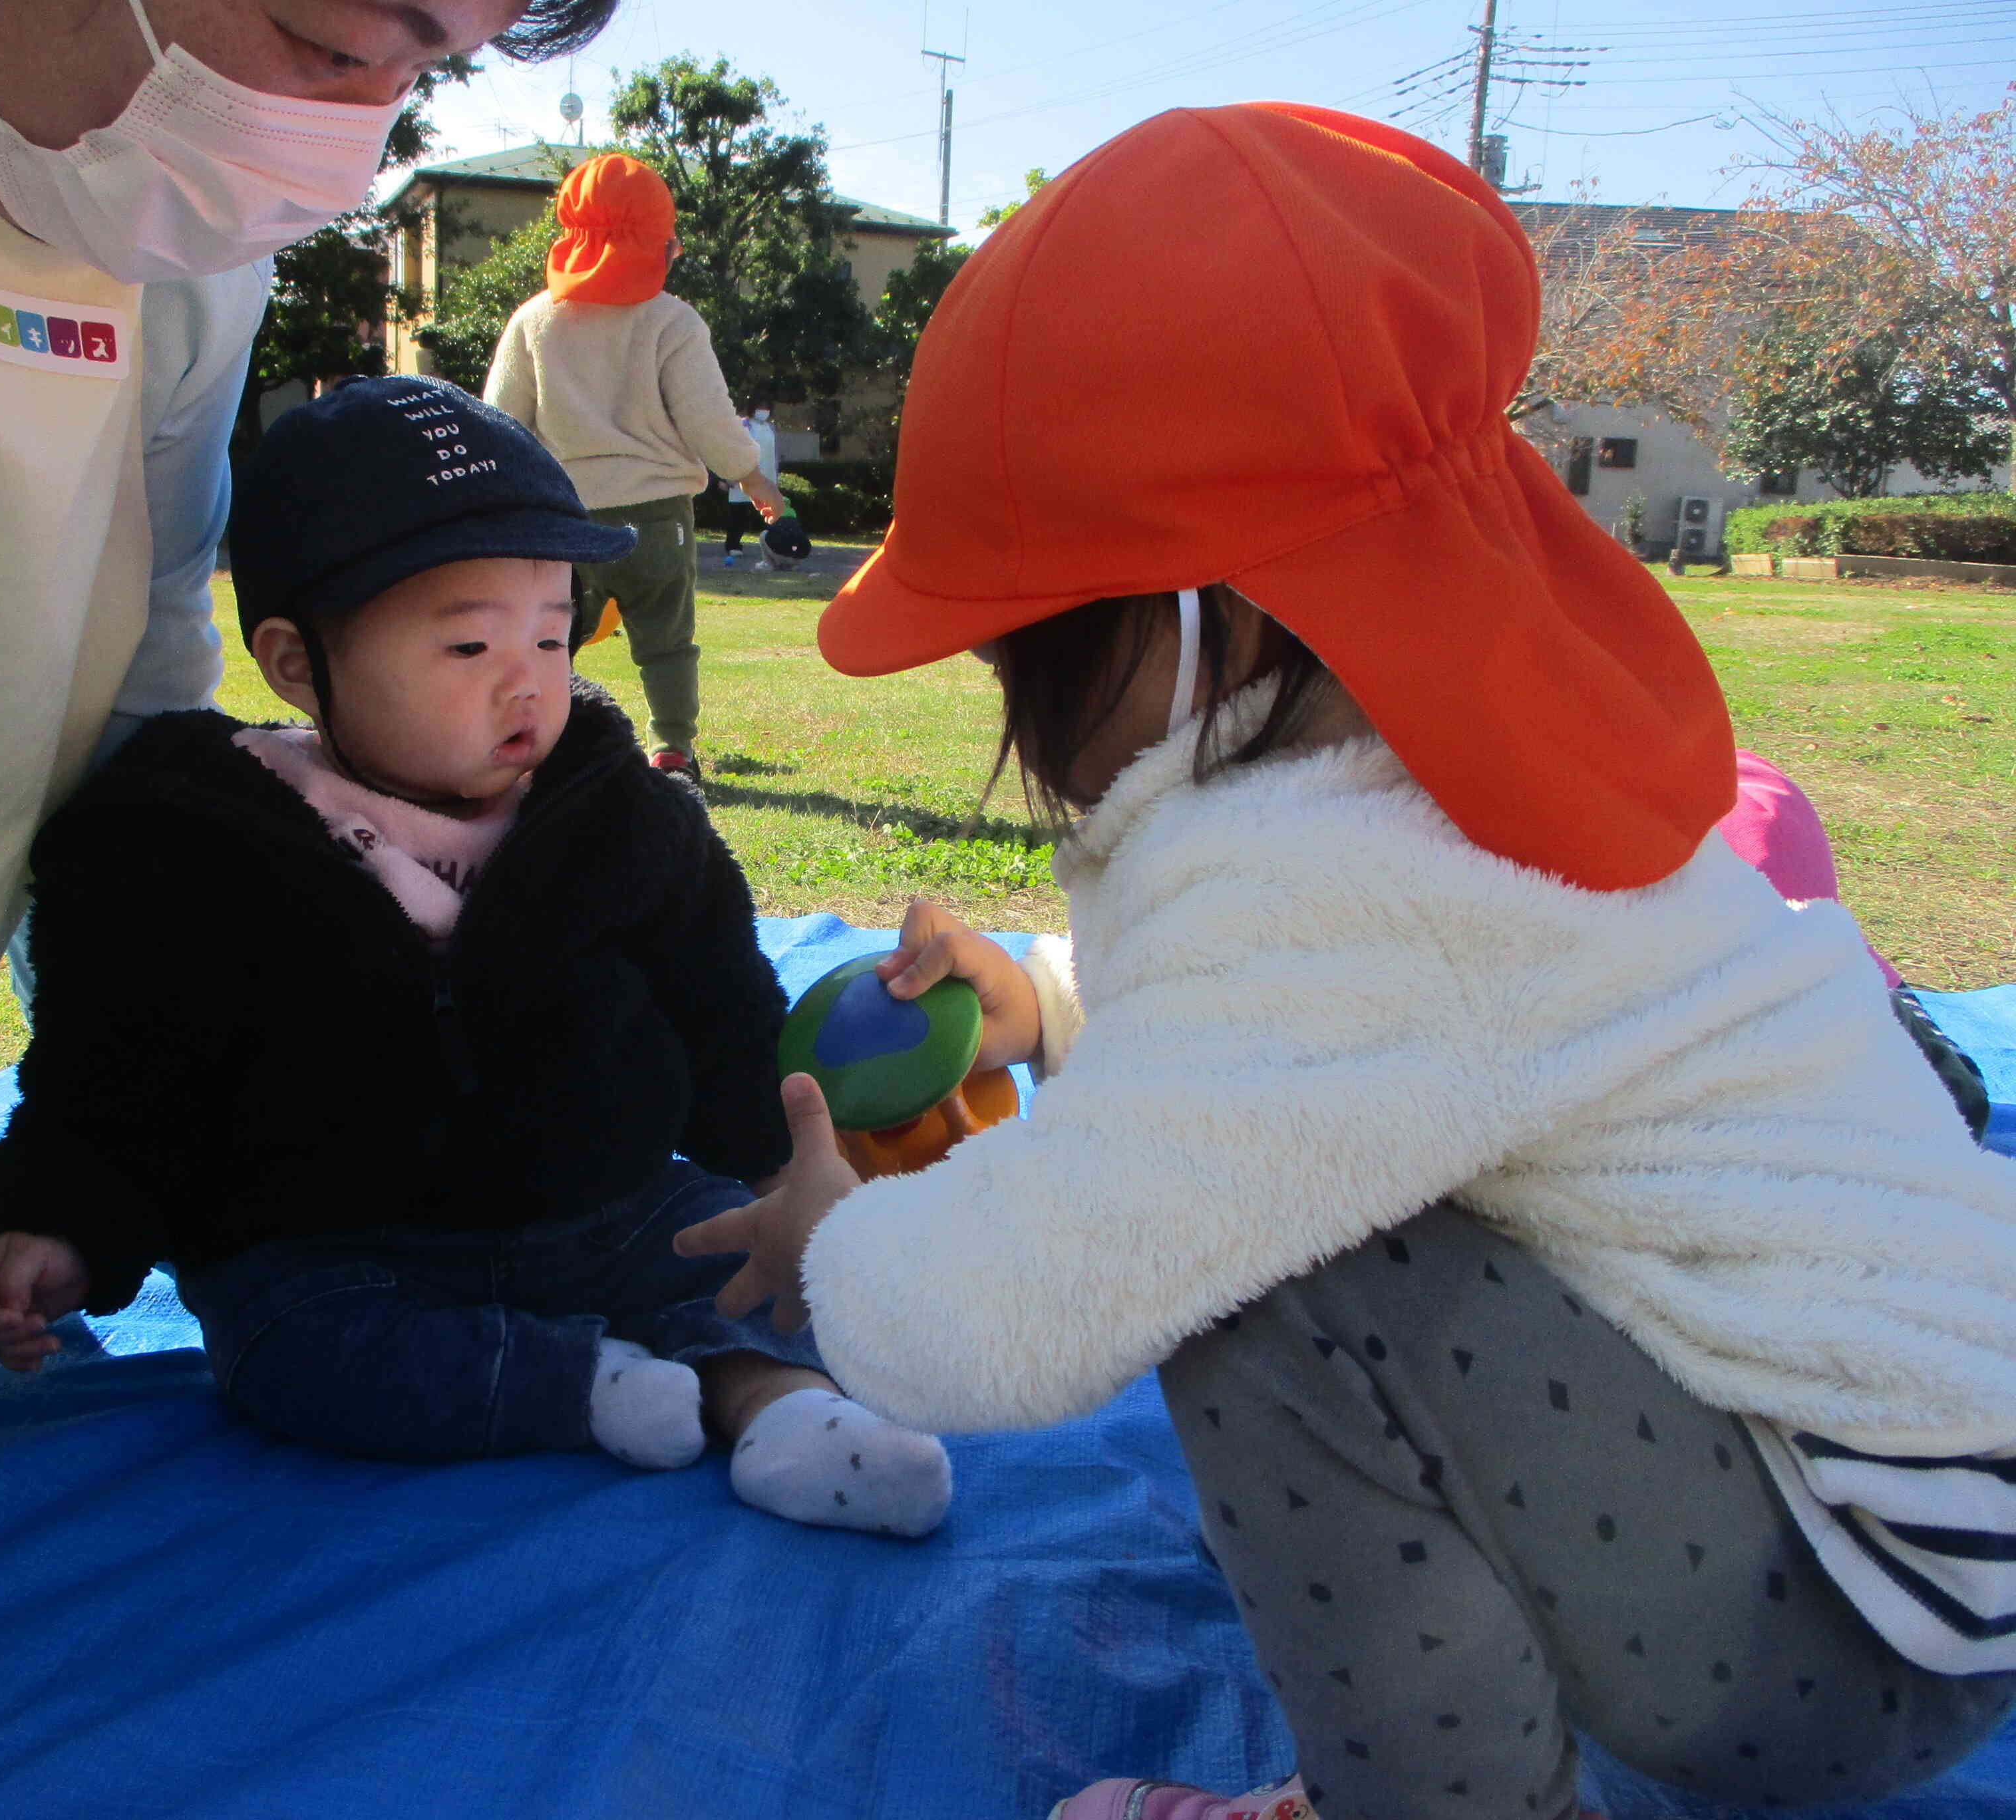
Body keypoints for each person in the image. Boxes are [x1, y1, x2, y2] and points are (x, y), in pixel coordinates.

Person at [677, 106, 2016, 1820]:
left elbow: (1007, 1306)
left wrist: (839, 1247)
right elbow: (1373, 1034)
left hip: (1843, 1630)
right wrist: (1045, 998)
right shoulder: (1461, 753)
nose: (1015, 706)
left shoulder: (1330, 880)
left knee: (1281, 1285)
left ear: (1203, 610)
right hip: (1892, 1509)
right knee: (1307, 1195)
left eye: (1025, 645)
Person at [0, 0, 617, 1808]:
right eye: (330, 33)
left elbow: (145, 746)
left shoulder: (164, 230)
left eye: (428, 69)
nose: (359, 138)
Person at [0, 378, 953, 1539]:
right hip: (337, 1247)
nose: (526, 674)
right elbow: (116, 1071)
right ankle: (577, 1388)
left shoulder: (615, 816)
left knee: (741, 1259)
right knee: (288, 1358)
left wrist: (782, 1164)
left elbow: (720, 1004)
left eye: (551, 629)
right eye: (470, 641)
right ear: (296, 664)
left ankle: (779, 1408)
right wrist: (61, 1223)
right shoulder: (196, 843)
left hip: (607, 1203)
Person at [484, 154, 784, 782]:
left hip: (564, 520)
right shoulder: (671, 321)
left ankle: (541, 745)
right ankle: (672, 749)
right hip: (657, 518)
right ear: (660, 246)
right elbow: (708, 419)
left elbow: (501, 424)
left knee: (550, 642)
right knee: (666, 641)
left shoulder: (535, 321)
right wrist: (753, 479)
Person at [724, 406, 782, 567]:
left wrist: (775, 478)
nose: (764, 410)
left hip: (767, 479)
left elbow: (774, 454)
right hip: (745, 475)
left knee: (769, 513)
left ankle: (773, 546)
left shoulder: (771, 428)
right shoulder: (742, 425)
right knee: (739, 513)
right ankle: (733, 545)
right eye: (760, 407)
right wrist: (731, 475)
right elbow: (735, 449)